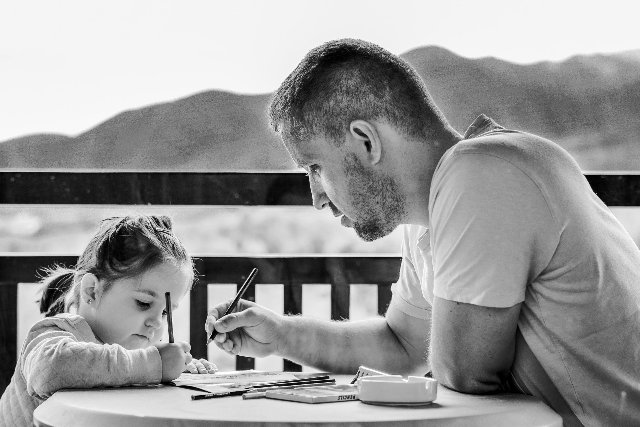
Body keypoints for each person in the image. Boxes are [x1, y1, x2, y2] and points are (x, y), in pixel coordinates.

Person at [205, 39, 640, 426]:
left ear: (366, 141)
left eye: (315, 167)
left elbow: (463, 376)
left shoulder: (482, 173)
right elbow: (400, 346)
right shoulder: (434, 210)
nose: (316, 197)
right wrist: (280, 333)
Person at [0, 215, 216, 427]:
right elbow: (48, 371)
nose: (157, 323)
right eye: (143, 303)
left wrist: (175, 370)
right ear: (92, 291)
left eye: (165, 313)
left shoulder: (127, 358)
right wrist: (153, 364)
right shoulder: (55, 333)